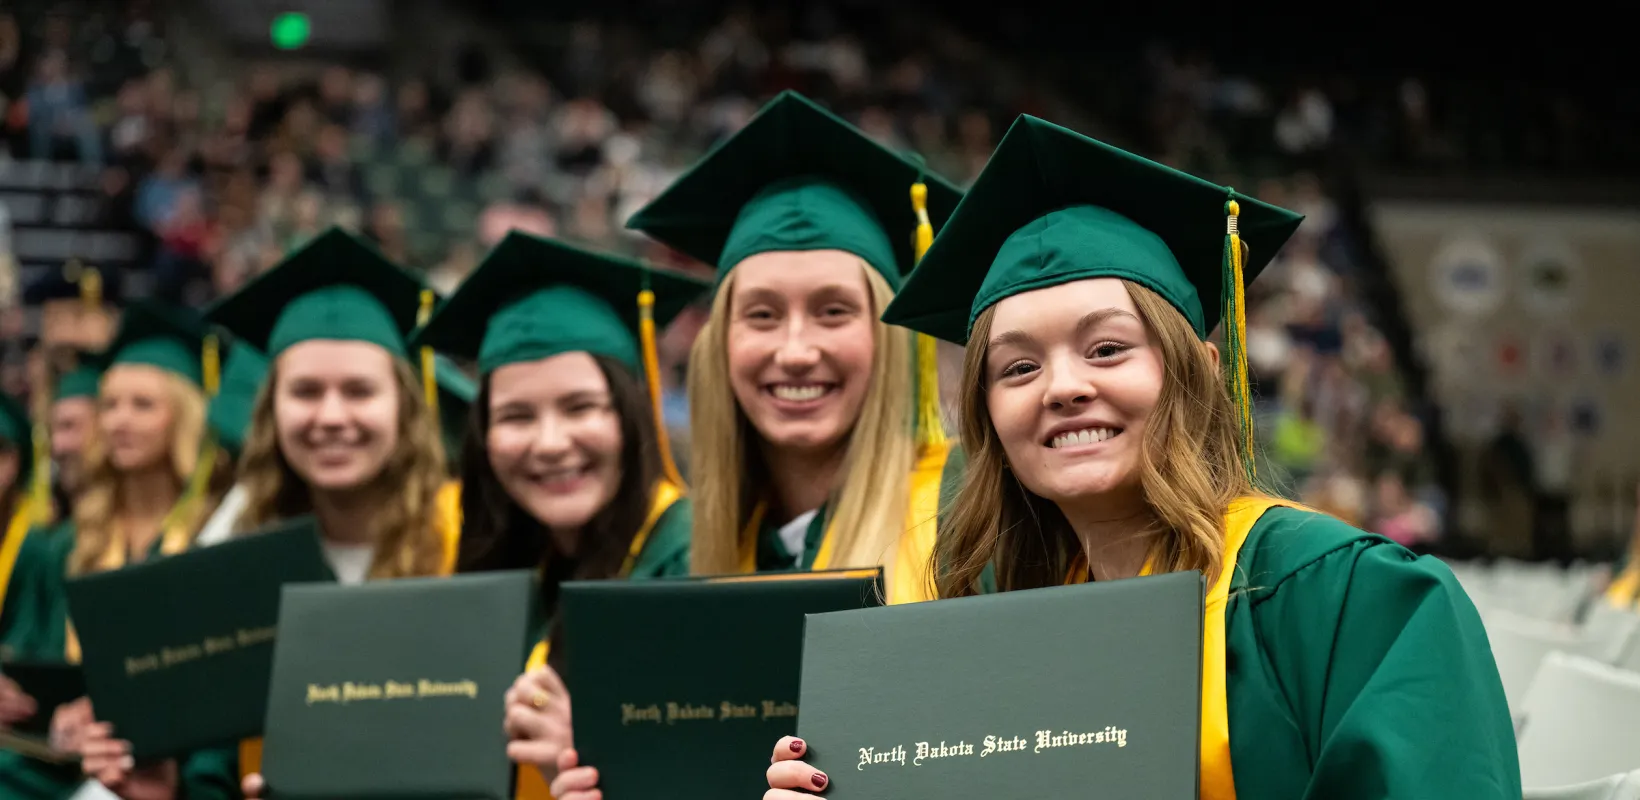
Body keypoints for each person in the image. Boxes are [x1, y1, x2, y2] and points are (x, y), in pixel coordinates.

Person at [753, 116, 1520, 799]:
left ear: (1200, 375)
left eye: (1108, 348)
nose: (1062, 387)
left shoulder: (1344, 600)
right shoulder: (981, 635)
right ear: (987, 418)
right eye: (1018, 368)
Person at [80, 228, 463, 798]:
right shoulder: (237, 566)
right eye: (305, 392)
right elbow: (207, 772)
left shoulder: (467, 545)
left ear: (404, 408)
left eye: (360, 391)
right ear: (272, 410)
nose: (331, 416)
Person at [626, 89, 963, 598]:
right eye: (762, 315)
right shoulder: (681, 562)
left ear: (891, 339)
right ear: (717, 344)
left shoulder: (969, 523)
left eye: (834, 311)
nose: (797, 351)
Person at [412, 231, 708, 797]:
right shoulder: (511, 567)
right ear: (484, 437)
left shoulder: (690, 560)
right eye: (517, 416)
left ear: (630, 413)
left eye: (580, 407)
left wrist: (585, 754)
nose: (549, 443)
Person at [0, 301, 236, 800]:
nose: (119, 421)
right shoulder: (59, 546)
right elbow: (27, 666)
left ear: (185, 416)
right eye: (109, 405)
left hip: (170, 776)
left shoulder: (215, 541)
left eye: (143, 405)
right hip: (52, 769)